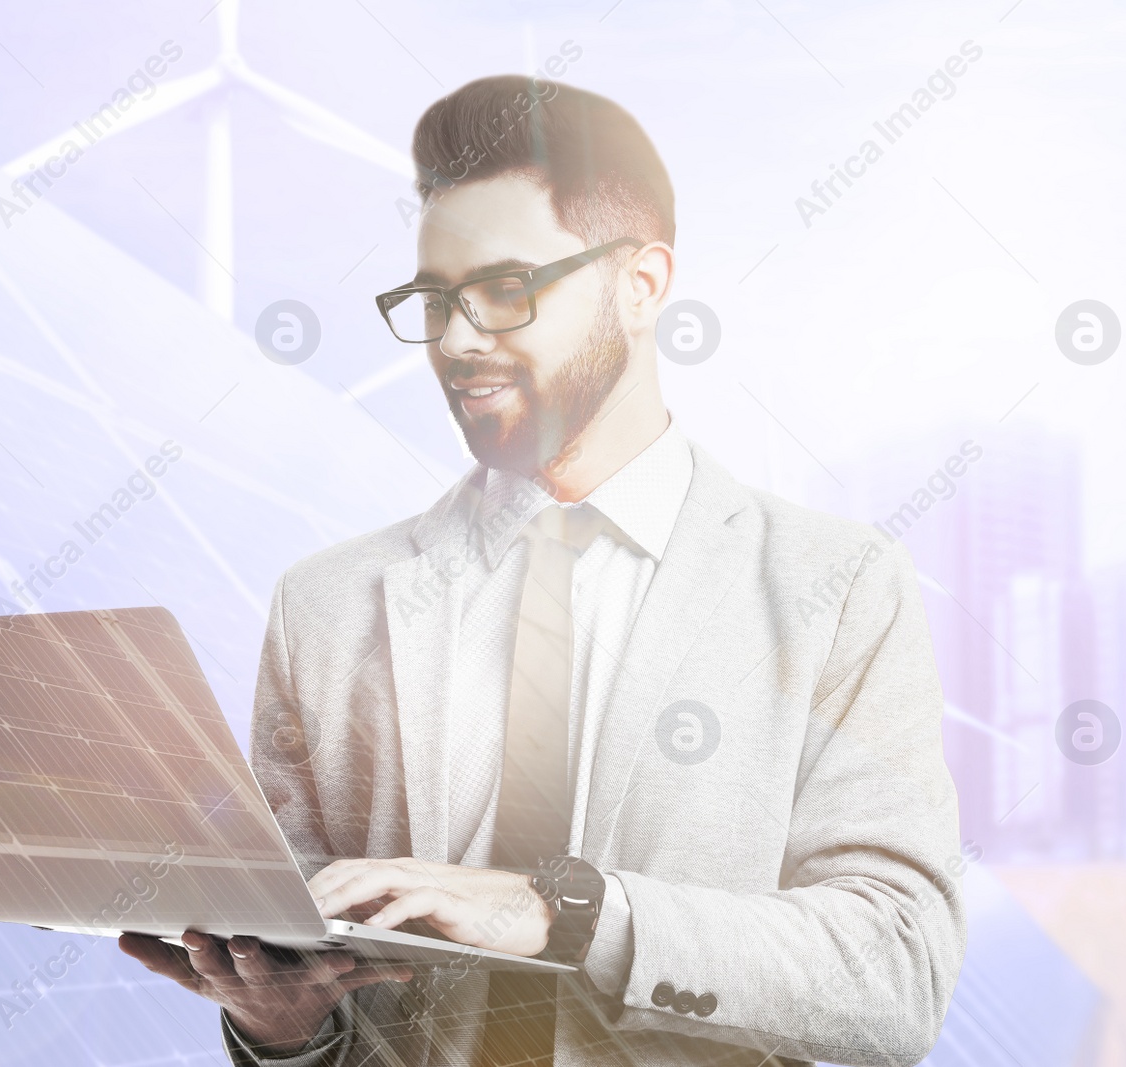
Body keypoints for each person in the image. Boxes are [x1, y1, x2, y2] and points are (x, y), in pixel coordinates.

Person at [121, 74, 965, 1066]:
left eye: (505, 290)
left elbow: (895, 973)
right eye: (432, 300)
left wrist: (564, 912)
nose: (457, 340)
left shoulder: (835, 586)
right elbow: (318, 999)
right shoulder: (328, 605)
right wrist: (280, 1024)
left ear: (641, 284)